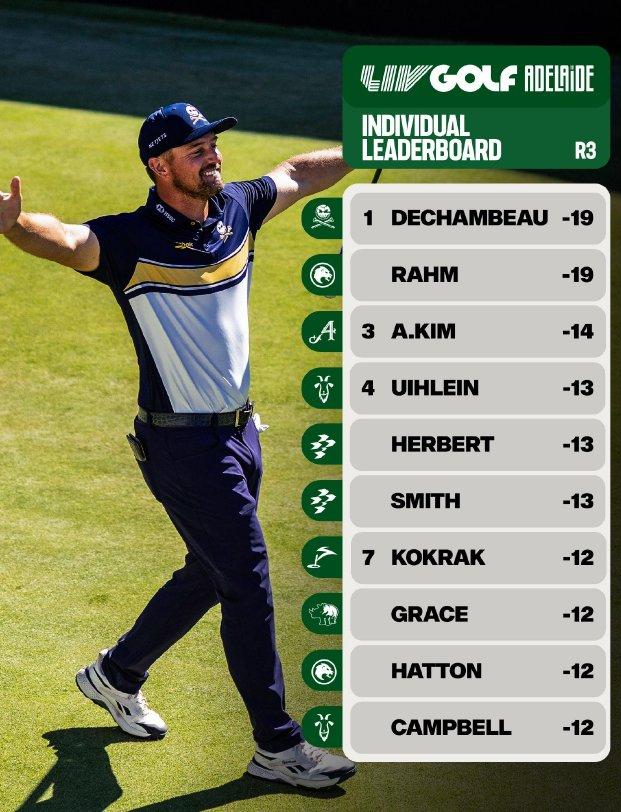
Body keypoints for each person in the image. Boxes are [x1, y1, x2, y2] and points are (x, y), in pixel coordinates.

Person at [0, 102, 355, 790]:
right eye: (195, 149)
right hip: (184, 448)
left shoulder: (237, 211)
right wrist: (14, 225)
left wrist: (364, 147)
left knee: (211, 572)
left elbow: (297, 173)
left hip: (241, 434)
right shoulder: (128, 240)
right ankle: (277, 746)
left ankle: (116, 673)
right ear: (158, 166)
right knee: (247, 584)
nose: (212, 154)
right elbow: (66, 240)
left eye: (212, 143)